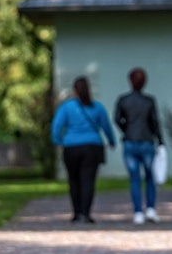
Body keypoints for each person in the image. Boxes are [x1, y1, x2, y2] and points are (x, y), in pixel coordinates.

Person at [51, 76, 116, 224]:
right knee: (88, 181)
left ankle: (76, 212)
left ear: (74, 91)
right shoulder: (97, 107)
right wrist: (111, 141)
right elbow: (106, 126)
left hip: (71, 147)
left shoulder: (67, 107)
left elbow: (57, 125)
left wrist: (57, 141)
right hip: (92, 146)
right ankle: (86, 213)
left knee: (73, 180)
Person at [114, 67, 164, 225]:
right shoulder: (149, 101)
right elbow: (155, 123)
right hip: (147, 142)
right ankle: (150, 208)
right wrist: (160, 140)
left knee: (134, 179)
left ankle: (137, 212)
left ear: (130, 81)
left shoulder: (123, 100)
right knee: (150, 177)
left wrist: (126, 130)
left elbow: (117, 119)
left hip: (129, 142)